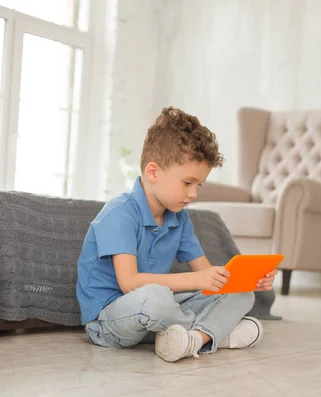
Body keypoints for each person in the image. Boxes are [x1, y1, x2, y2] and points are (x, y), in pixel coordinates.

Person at [76, 106, 277, 363]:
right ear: (153, 172)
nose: (194, 194)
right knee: (156, 297)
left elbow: (207, 276)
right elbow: (129, 283)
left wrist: (246, 281)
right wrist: (197, 281)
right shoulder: (120, 213)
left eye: (198, 185)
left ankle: (193, 338)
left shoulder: (179, 218)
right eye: (187, 183)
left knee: (242, 295)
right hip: (109, 320)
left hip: (158, 315)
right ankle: (213, 333)